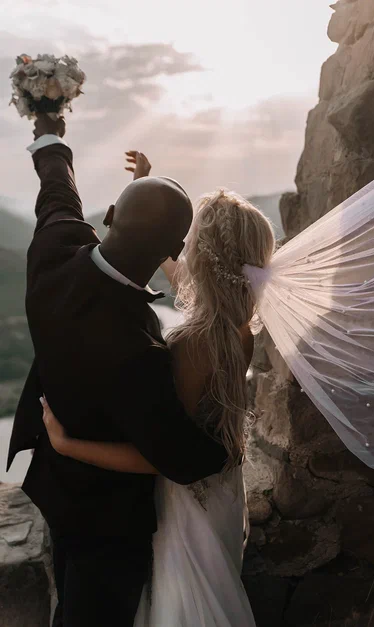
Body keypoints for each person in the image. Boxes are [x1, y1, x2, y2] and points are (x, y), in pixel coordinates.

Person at [7, 115, 228, 627]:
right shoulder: (137, 350)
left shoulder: (52, 254)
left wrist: (49, 132)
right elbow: (189, 460)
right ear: (175, 253)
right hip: (107, 526)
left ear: (108, 214)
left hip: (54, 489)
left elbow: (56, 191)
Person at [41, 157, 276, 625]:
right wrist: (142, 201)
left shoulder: (194, 343)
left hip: (187, 501)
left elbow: (162, 458)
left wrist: (68, 444)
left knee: (185, 602)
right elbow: (178, 272)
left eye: (188, 244)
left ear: (206, 258)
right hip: (223, 493)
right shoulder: (237, 327)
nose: (182, 251)